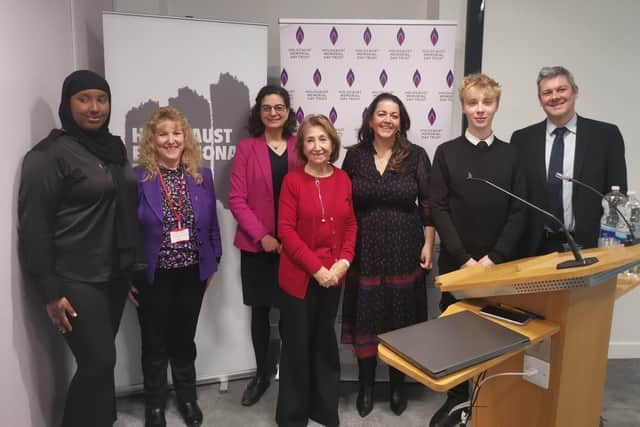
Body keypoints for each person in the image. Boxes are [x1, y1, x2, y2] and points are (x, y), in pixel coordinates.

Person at [18, 70, 145, 427]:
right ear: (67, 103)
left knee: (104, 365)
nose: (95, 108)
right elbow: (34, 228)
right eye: (84, 99)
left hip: (114, 275)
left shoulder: (114, 148)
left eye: (101, 99)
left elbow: (125, 210)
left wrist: (131, 265)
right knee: (98, 362)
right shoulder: (48, 155)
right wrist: (50, 292)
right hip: (75, 278)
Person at [428, 73, 526, 427]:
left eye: (487, 102)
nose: (480, 109)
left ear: (496, 106)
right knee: (455, 332)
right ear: (464, 106)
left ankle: (492, 402)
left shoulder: (512, 155)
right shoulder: (447, 152)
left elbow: (519, 210)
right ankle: (456, 401)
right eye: (473, 102)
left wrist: (494, 258)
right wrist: (465, 259)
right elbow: (437, 206)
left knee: (496, 332)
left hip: (499, 265)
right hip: (457, 262)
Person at [340, 92, 435, 417]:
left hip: (404, 249)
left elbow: (427, 205)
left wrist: (427, 243)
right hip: (364, 249)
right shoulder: (354, 157)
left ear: (401, 121)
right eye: (381, 113)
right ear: (370, 119)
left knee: (400, 320)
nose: (387, 120)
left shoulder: (416, 155)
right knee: (367, 318)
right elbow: (343, 205)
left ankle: (397, 387)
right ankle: (366, 387)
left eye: (394, 115)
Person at [127, 106, 222, 427]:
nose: (171, 140)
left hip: (192, 273)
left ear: (186, 138)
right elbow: (125, 229)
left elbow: (212, 227)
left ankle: (187, 398)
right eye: (163, 134)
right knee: (154, 343)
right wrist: (127, 274)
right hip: (153, 275)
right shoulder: (137, 177)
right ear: (153, 140)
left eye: (177, 133)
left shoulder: (201, 175)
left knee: (184, 340)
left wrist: (213, 263)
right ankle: (154, 405)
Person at [276, 115, 357, 427]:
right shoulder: (293, 181)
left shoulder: (343, 179)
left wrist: (344, 262)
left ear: (332, 143)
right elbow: (286, 231)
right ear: (302, 146)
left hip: (334, 277)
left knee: (324, 344)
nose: (317, 146)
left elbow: (350, 224)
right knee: (296, 345)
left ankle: (323, 410)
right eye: (310, 140)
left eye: (323, 139)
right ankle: (293, 416)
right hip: (299, 278)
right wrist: (317, 269)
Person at [229, 85, 299, 406]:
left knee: (291, 312)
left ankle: (291, 374)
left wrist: (291, 239)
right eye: (267, 107)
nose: (273, 113)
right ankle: (260, 375)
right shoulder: (246, 149)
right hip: (257, 247)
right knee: (260, 312)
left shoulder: (302, 147)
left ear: (288, 111)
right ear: (259, 112)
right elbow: (237, 200)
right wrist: (263, 236)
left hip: (294, 248)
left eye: (279, 107)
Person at [511, 66, 627, 255]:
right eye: (547, 92)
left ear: (575, 92)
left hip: (590, 246)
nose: (555, 97)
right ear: (540, 100)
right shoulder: (522, 140)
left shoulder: (606, 136)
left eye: (562, 89)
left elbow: (617, 196)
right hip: (536, 248)